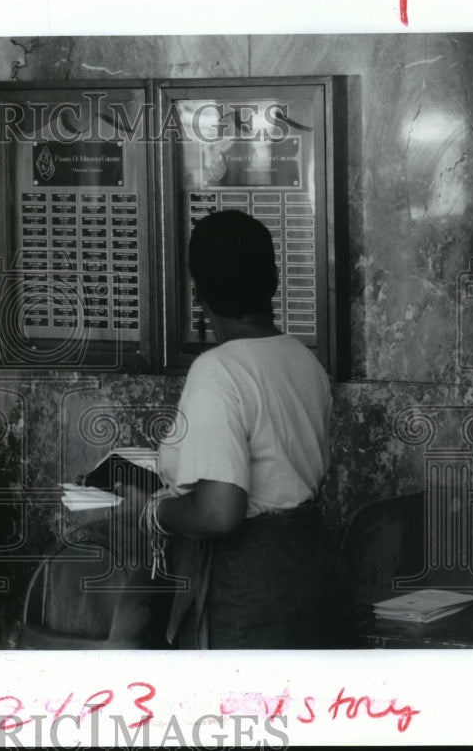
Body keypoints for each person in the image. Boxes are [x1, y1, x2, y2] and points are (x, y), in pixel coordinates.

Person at [115, 210, 351, 649]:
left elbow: (221, 512)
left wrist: (152, 511)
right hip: (315, 575)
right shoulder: (304, 360)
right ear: (274, 284)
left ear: (198, 294)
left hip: (248, 592)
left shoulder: (218, 370)